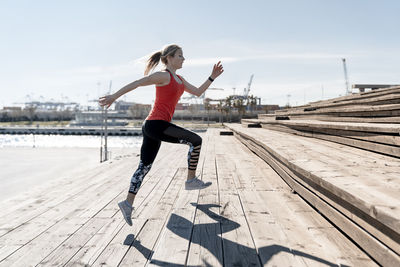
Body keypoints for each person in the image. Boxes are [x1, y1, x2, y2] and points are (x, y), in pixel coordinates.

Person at [99, 44, 224, 226]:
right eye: (180, 56)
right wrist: (113, 97)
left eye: (183, 56)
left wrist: (212, 77)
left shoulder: (180, 79)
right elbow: (137, 83)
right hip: (156, 124)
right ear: (169, 58)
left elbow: (197, 92)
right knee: (196, 140)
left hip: (154, 126)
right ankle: (190, 180)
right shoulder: (163, 76)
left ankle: (127, 204)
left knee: (144, 167)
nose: (183, 59)